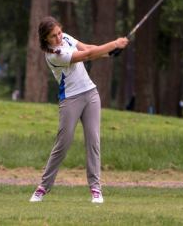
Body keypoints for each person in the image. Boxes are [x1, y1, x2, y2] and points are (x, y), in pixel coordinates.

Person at [29, 16, 129, 203]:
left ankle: (96, 189)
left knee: (93, 141)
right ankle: (43, 187)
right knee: (63, 144)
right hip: (70, 99)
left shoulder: (65, 37)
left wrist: (110, 52)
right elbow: (87, 56)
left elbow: (88, 48)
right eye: (53, 36)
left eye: (59, 32)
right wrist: (114, 43)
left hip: (90, 94)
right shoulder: (54, 55)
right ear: (45, 39)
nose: (59, 38)